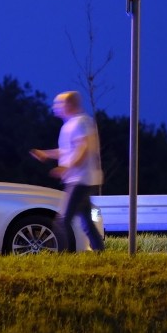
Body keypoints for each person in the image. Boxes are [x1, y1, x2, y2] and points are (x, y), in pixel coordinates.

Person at [30, 91, 105, 252]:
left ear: (69, 105)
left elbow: (83, 148)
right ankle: (100, 252)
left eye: (58, 104)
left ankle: (61, 255)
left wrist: (67, 167)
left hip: (81, 179)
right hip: (78, 179)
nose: (55, 107)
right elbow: (66, 150)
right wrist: (46, 154)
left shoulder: (81, 122)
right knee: (86, 221)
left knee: (62, 220)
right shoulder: (70, 124)